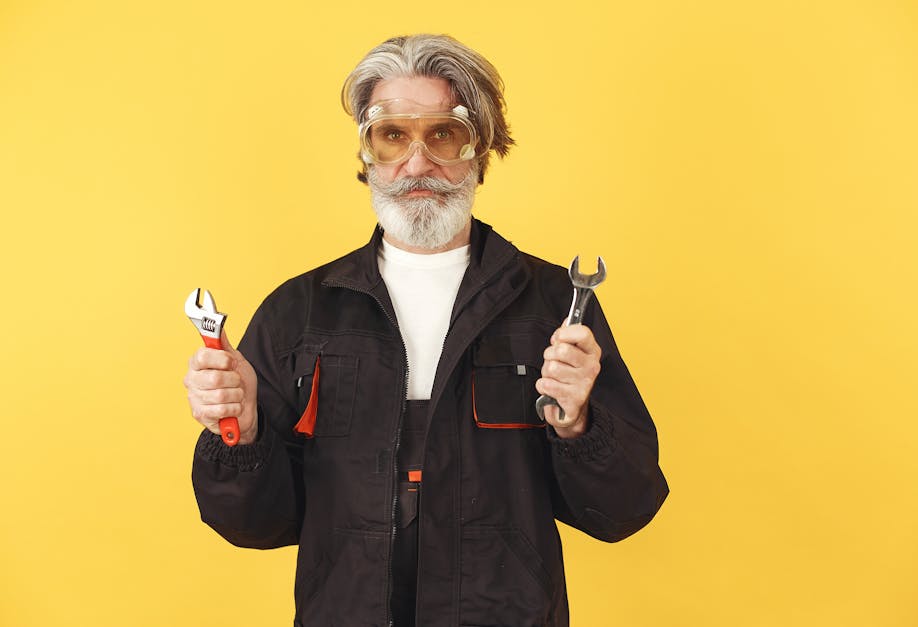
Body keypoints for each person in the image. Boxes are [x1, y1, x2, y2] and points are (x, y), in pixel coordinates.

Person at [184, 34, 668, 627]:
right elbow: (252, 525)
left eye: (443, 133)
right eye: (392, 136)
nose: (417, 163)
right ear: (367, 156)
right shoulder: (299, 313)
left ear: (480, 150)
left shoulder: (553, 308)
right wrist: (245, 431)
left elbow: (624, 510)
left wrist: (578, 424)